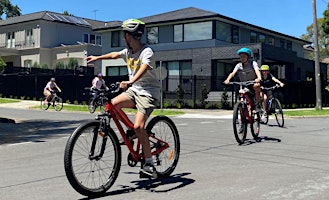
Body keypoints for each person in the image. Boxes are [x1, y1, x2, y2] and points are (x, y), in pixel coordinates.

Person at [86, 19, 160, 178]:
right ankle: (130, 133)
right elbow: (114, 55)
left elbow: (144, 67)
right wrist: (97, 58)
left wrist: (131, 81)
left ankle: (149, 164)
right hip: (134, 91)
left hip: (148, 93)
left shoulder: (147, 51)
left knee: (140, 127)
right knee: (112, 104)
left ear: (130, 35)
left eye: (124, 34)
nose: (123, 37)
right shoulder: (128, 52)